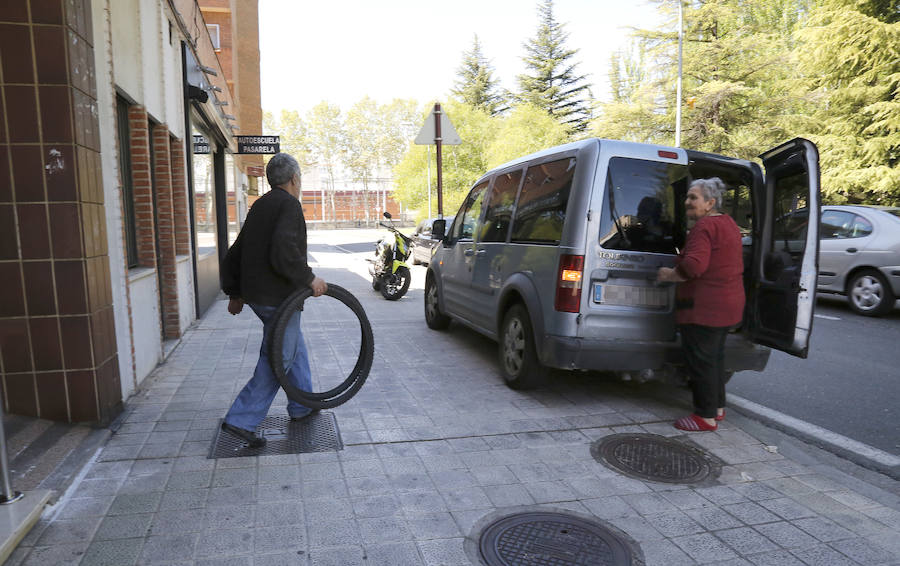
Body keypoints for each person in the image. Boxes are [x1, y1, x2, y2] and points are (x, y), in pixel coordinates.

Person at [219, 153, 327, 447]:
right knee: (279, 356)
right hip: (280, 298)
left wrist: (235, 292)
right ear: (294, 178)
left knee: (294, 348)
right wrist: (309, 278)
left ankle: (302, 405)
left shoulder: (261, 205)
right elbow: (284, 253)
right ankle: (241, 420)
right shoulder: (289, 205)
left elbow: (236, 251)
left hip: (259, 297)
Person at [657, 177, 744, 432]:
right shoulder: (727, 223)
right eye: (688, 197)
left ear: (710, 203)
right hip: (727, 305)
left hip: (705, 308)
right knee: (714, 359)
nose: (687, 202)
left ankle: (704, 417)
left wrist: (669, 275)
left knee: (701, 362)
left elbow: (694, 266)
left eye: (693, 198)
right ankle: (716, 408)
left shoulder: (704, 227)